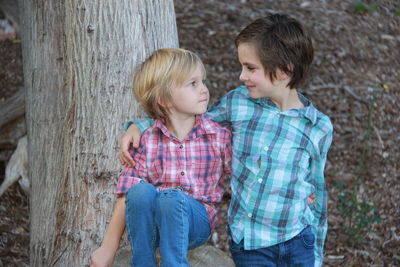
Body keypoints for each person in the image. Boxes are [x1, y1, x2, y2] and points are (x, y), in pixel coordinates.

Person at [120, 13, 333, 267]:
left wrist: (317, 253)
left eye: (250, 68)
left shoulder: (317, 126)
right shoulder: (238, 103)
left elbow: (317, 190)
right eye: (242, 66)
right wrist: (139, 126)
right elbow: (192, 122)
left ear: (284, 71)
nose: (242, 76)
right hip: (251, 242)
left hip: (298, 238)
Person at [90, 48, 232, 267]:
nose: (204, 89)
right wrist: (108, 248)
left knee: (172, 198)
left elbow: (242, 177)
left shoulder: (218, 136)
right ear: (164, 99)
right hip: (155, 226)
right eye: (193, 84)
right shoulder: (148, 139)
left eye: (202, 81)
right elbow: (127, 193)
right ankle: (143, 261)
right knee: (138, 190)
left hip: (196, 222)